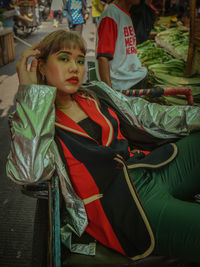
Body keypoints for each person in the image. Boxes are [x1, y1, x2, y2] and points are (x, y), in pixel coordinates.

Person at [7, 30, 200, 263]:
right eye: (64, 58)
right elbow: (28, 172)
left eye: (80, 60)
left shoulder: (96, 93)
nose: (75, 67)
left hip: (148, 169)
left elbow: (149, 114)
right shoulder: (36, 120)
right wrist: (31, 94)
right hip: (124, 208)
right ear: (41, 66)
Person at [95, 0, 148, 90]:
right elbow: (103, 58)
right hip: (119, 86)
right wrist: (110, 93)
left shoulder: (124, 13)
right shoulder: (111, 15)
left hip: (129, 82)